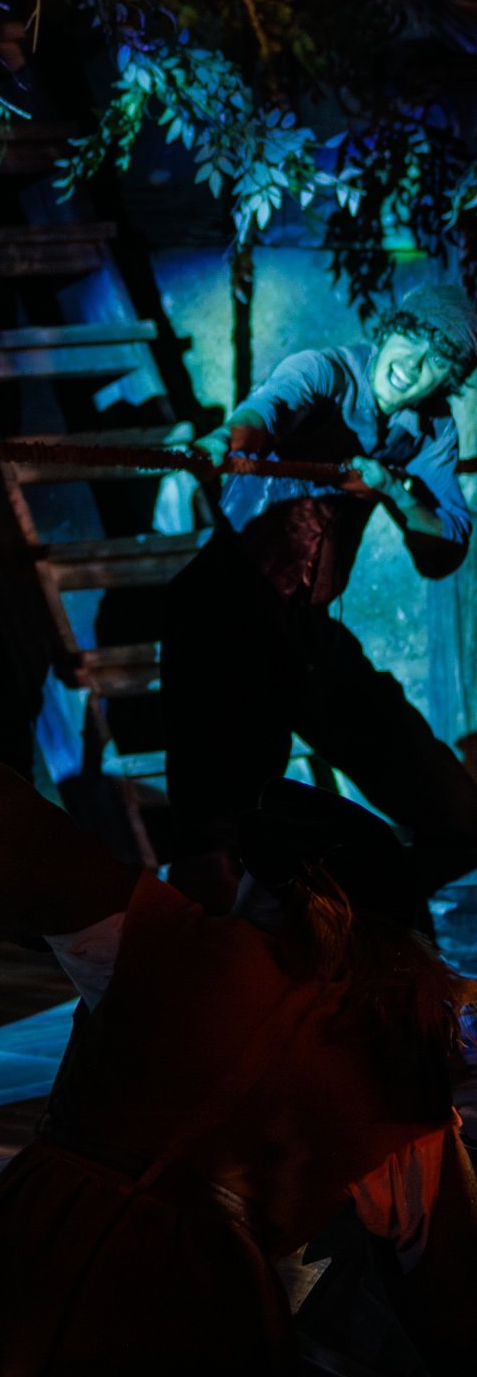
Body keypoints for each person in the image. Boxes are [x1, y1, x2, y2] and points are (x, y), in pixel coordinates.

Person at [0, 595, 477, 1377]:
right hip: (201, 1314)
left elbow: (19, 839)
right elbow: (452, 1295)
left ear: (290, 902)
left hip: (35, 1266)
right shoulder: (395, 1079)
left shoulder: (178, 945)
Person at [169, 282, 477, 909]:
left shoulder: (430, 429)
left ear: (447, 382)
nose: (412, 367)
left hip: (308, 638)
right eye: (411, 343)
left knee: (459, 816)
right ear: (389, 332)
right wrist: (225, 443)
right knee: (217, 833)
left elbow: (444, 546)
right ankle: (204, 978)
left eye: (436, 365)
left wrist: (396, 488)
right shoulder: (326, 370)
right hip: (221, 618)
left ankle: (353, 921)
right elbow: (267, 412)